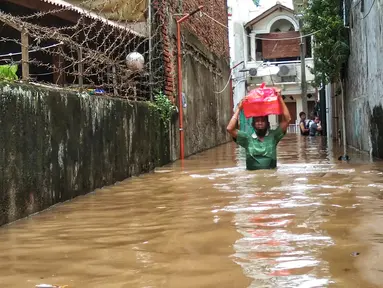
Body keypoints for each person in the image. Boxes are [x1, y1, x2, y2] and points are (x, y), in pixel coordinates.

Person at [227, 93, 291, 170]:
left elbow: (287, 120)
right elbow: (230, 129)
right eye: (257, 121)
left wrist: (280, 99)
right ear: (253, 124)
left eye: (263, 121)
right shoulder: (247, 139)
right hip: (252, 177)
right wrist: (239, 109)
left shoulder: (273, 136)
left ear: (268, 124)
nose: (260, 123)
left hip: (271, 176)